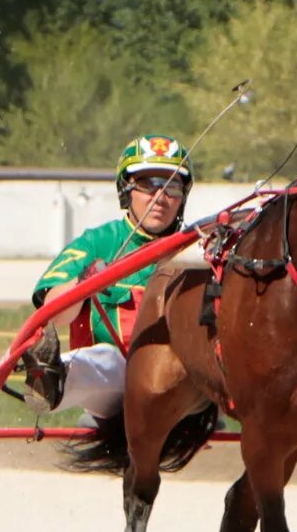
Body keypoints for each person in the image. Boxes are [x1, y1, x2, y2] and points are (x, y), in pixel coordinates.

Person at [18, 134, 194, 419]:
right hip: (116, 386)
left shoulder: (199, 249)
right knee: (106, 360)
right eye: (148, 185)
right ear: (127, 190)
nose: (160, 197)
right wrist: (85, 282)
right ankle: (52, 380)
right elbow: (52, 316)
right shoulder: (96, 244)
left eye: (172, 185)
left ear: (183, 195)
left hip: (184, 387)